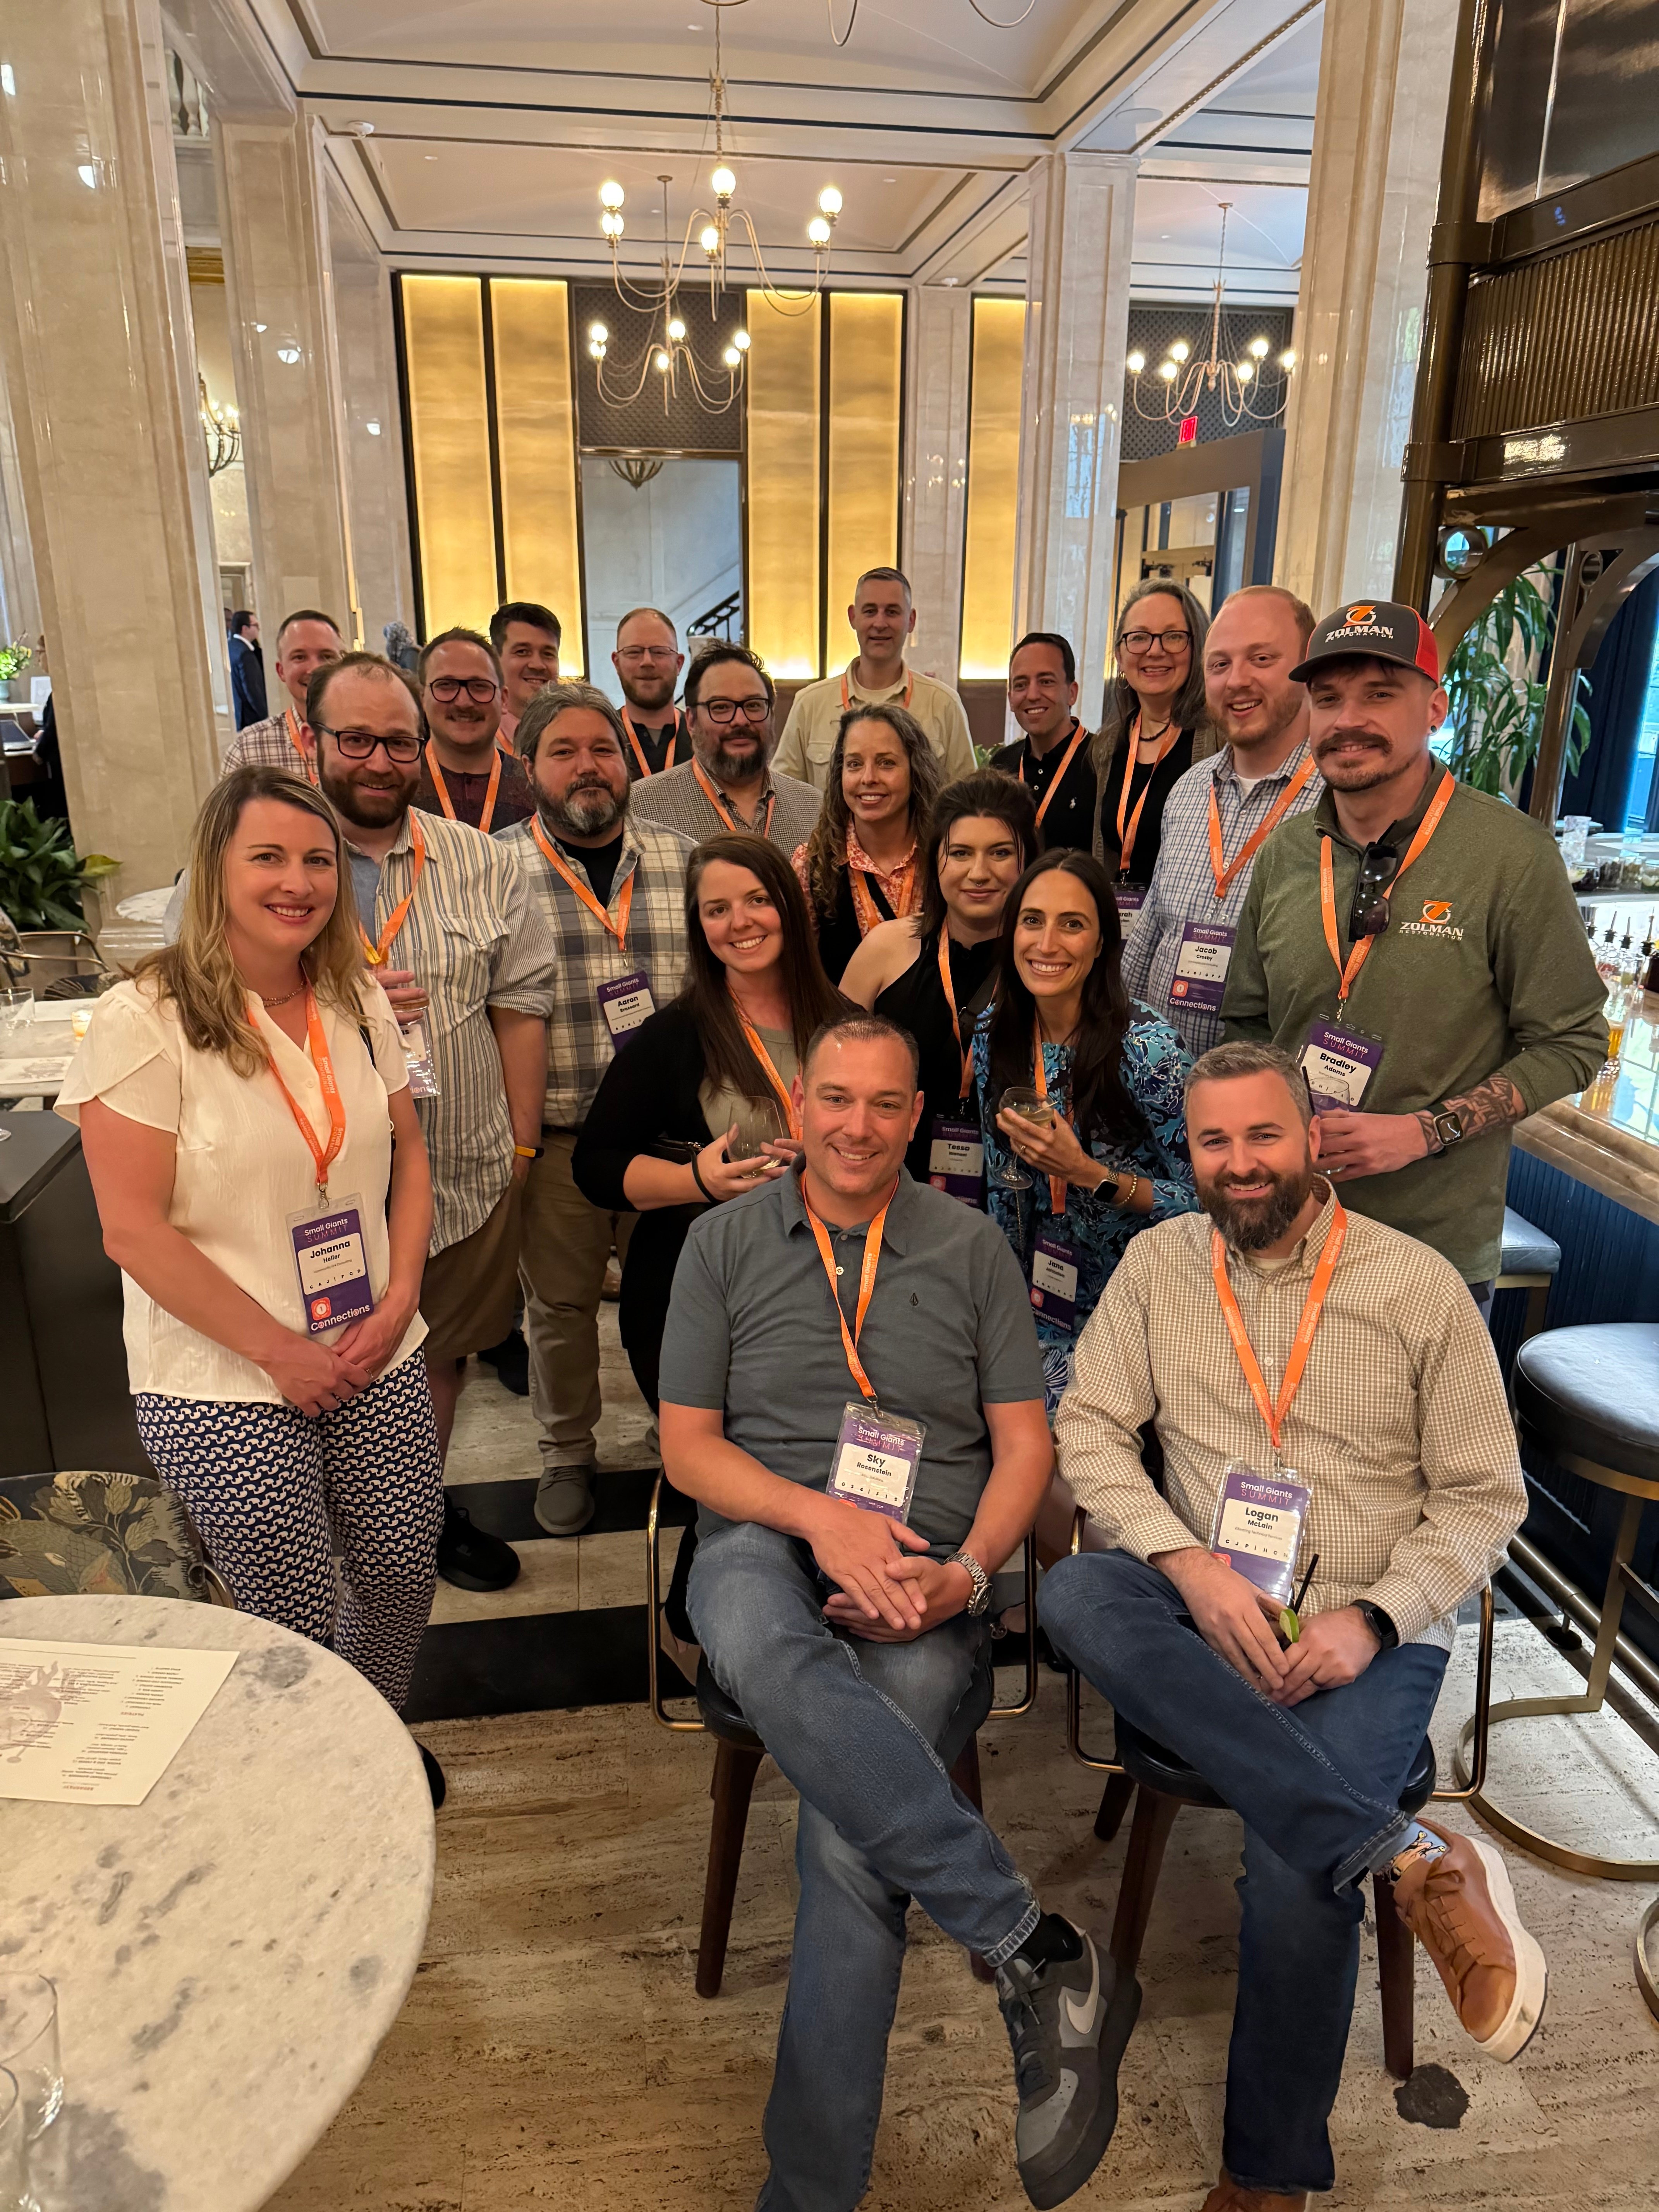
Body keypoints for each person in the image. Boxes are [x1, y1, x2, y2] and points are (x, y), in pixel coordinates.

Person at [1041, 1041, 1543, 2212]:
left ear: (1313, 1136)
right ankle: (1402, 1854)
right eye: (1213, 1141)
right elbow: (1091, 1428)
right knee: (1075, 1592)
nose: (1240, 1162)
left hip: (1370, 1621)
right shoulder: (1160, 1264)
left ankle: (1266, 2177)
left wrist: (1372, 1618)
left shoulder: (1418, 1285)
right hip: (1212, 1602)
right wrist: (1188, 1566)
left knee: (1289, 1866)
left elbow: (1486, 1497)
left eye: (1263, 1134)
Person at [659, 1013, 1137, 2212]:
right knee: (749, 1626)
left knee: (848, 1839)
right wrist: (819, 1518)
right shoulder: (719, 1242)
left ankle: (807, 2196)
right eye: (836, 1098)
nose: (857, 1126)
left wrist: (967, 1574)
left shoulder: (970, 1246)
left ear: (917, 1116)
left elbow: (1025, 1447)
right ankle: (1031, 1946)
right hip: (762, 1535)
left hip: (929, 1570)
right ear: (799, 1104)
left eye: (885, 1103)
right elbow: (689, 1449)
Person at [57, 765, 445, 1779]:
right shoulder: (143, 1019)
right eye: (267, 857)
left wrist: (403, 1296)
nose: (298, 881)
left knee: (401, 1573)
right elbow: (133, 1232)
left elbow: (410, 1156)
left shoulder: (358, 996)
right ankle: (303, 1778)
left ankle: (367, 1748)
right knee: (288, 1612)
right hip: (223, 1376)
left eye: (318, 860)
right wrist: (279, 1351)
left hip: (371, 1343)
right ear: (215, 871)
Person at [1223, 599, 1608, 1300]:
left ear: (1434, 708)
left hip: (1428, 1256)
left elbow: (1573, 1041)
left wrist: (1425, 1130)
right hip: (1284, 1227)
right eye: (1327, 698)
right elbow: (1247, 1023)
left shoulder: (1509, 856)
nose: (1347, 720)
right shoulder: (1285, 853)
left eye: (1379, 694)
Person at [309, 652, 557, 1596]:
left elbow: (521, 1006)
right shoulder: (270, 859)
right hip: (315, 1186)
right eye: (356, 739)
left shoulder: (484, 862)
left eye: (397, 742)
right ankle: (322, 1523)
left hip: (459, 1167)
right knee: (325, 1358)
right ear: (313, 740)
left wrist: (521, 1144)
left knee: (436, 1350)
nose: (379, 761)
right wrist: (338, 995)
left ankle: (414, 1517)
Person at [496, 681, 694, 1536]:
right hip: (559, 1140)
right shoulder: (493, 870)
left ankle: (681, 1434)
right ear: (528, 767)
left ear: (628, 760)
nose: (589, 766)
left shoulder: (684, 860)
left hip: (669, 1144)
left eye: (603, 749)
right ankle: (566, 1450)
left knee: (679, 1304)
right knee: (561, 1308)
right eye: (565, 751)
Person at [573, 832, 845, 1415]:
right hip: (705, 1299)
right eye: (717, 910)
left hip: (834, 1292)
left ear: (789, 905)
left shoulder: (849, 1025)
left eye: (757, 900)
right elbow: (595, 1164)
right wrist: (694, 1181)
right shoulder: (674, 1035)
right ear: (700, 927)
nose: (739, 922)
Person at [977, 850, 1195, 1415]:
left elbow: (1210, 1206)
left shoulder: (1149, 1051)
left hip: (1138, 1311)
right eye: (1032, 920)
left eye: (1072, 924)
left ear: (1101, 944)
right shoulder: (993, 1034)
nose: (1047, 944)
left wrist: (1087, 1174)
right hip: (1032, 1303)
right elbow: (999, 1188)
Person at [1123, 586, 1322, 1057]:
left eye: (1262, 659)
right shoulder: (1189, 791)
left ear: (1308, 667)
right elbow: (1150, 935)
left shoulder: (1338, 805)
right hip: (1158, 1080)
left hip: (1262, 1090)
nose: (1237, 680)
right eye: (1220, 664)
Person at [842, 770, 1038, 1197]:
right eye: (961, 853)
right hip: (891, 1191)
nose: (979, 873)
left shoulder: (1046, 964)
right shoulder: (884, 950)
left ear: (1028, 862)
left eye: (1000, 853)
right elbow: (833, 1075)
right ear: (935, 861)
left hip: (1017, 1199)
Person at [773, 567, 976, 793]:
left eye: (892, 612)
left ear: (911, 620)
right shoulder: (810, 704)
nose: (880, 623)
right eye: (870, 611)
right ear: (853, 617)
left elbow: (966, 799)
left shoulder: (944, 704)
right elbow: (782, 796)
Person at [793, 703, 940, 983]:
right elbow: (798, 976)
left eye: (886, 763)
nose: (869, 778)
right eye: (855, 764)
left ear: (915, 770)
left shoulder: (945, 857)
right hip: (842, 1012)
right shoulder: (811, 866)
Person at [1091, 580, 1211, 918]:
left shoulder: (1221, 743)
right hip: (1121, 929)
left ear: (1198, 648)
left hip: (1192, 935)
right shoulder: (1105, 746)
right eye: (1139, 637)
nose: (1155, 651)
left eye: (1173, 637)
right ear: (1120, 655)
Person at [629, 642, 821, 853]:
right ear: (691, 721)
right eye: (721, 707)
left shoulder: (815, 809)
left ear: (772, 715)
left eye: (753, 705)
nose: (740, 721)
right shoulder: (639, 809)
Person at [413, 627, 536, 833]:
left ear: (503, 699)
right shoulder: (398, 783)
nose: (464, 702)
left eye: (480, 686)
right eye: (446, 685)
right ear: (423, 698)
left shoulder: (535, 788)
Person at [990, 633, 1096, 853]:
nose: (1032, 695)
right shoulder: (1001, 765)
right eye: (1021, 685)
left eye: (1046, 682)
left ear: (1072, 693)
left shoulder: (1102, 760)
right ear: (1011, 699)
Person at [220, 609, 343, 776]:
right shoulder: (247, 751)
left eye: (327, 656)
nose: (315, 669)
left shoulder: (371, 734)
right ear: (281, 671)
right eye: (299, 657)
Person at [612, 605, 693, 776]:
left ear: (679, 664)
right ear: (617, 663)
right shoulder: (600, 737)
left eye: (659, 652)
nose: (647, 662)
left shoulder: (704, 737)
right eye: (634, 652)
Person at [490, 600, 561, 746]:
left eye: (548, 654)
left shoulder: (575, 734)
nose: (538, 665)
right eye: (522, 652)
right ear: (493, 659)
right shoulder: (477, 740)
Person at [228, 610, 267, 730]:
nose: (259, 629)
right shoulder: (246, 654)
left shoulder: (231, 647)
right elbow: (253, 690)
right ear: (245, 629)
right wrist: (266, 717)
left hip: (239, 717)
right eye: (256, 625)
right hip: (251, 720)